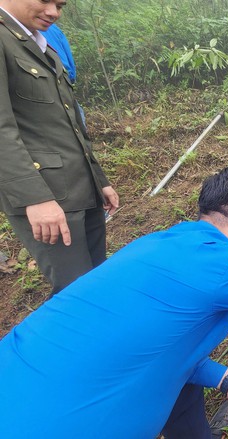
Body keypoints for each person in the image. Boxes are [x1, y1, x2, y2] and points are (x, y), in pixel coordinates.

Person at [0, 166, 228, 438]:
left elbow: (152, 344)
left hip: (16, 372)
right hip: (63, 424)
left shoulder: (156, 243)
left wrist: (224, 376)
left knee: (180, 388)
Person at [0, 0, 120, 294]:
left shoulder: (41, 44)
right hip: (46, 195)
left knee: (97, 279)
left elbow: (69, 123)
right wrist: (35, 198)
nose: (54, 12)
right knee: (75, 291)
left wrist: (99, 179)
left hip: (81, 187)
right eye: (45, 1)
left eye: (60, 4)